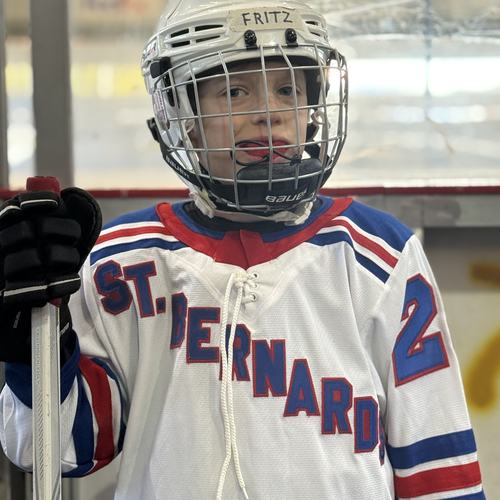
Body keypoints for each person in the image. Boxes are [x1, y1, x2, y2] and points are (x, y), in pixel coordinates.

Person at [0, 0, 486, 498]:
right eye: (234, 90)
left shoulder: (380, 256)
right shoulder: (122, 261)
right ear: (183, 115)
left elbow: (439, 471)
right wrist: (34, 351)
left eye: (288, 89)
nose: (269, 114)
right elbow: (58, 447)